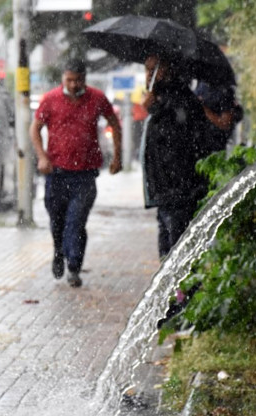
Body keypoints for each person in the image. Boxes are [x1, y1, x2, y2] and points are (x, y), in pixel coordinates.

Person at [30, 59, 122, 288]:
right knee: (57, 221)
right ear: (63, 78)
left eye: (78, 80)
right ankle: (59, 251)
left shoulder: (97, 98)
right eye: (69, 80)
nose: (73, 85)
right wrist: (42, 156)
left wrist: (117, 156)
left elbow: (114, 124)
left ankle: (74, 266)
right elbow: (35, 128)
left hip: (85, 174)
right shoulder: (50, 99)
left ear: (85, 79)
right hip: (56, 173)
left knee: (76, 221)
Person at [140, 53, 215, 258]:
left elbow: (176, 143)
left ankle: (183, 291)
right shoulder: (163, 98)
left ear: (168, 70)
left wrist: (155, 109)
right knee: (168, 251)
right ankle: (175, 290)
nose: (148, 75)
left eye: (153, 69)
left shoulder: (180, 100)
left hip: (178, 191)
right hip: (165, 191)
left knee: (177, 251)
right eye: (146, 70)